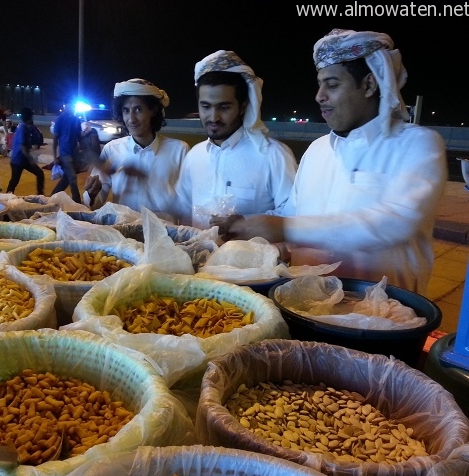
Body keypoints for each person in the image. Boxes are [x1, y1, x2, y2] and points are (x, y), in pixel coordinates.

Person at [219, 29, 448, 295]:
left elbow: (395, 222)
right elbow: (292, 214)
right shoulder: (317, 150)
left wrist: (285, 228)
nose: (319, 96)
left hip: (384, 318)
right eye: (320, 84)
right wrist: (245, 224)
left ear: (369, 85)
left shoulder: (417, 144)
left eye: (332, 84)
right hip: (304, 303)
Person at [172, 50, 297, 229]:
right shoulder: (194, 156)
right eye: (206, 106)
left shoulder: (272, 155)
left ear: (242, 107)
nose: (213, 117)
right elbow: (181, 211)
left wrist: (245, 223)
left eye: (223, 107)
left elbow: (293, 214)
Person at [83, 78, 189, 219]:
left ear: (153, 110)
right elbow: (94, 204)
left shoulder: (179, 150)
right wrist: (91, 193)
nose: (131, 119)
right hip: (122, 236)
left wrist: (146, 179)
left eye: (138, 110)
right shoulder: (112, 149)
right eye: (126, 111)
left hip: (165, 237)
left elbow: (186, 208)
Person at [6, 107, 46, 195]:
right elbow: (22, 146)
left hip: (19, 159)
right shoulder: (23, 128)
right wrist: (30, 159)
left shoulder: (23, 127)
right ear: (31, 117)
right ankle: (40, 194)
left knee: (15, 180)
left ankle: (40, 194)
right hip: (19, 160)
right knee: (15, 180)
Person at [51, 103, 82, 203]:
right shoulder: (60, 119)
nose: (72, 108)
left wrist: (82, 151)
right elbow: (55, 139)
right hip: (65, 153)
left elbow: (79, 137)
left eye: (73, 106)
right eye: (70, 106)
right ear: (65, 107)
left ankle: (53, 196)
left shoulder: (76, 120)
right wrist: (55, 156)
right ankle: (77, 201)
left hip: (74, 153)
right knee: (72, 178)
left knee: (67, 178)